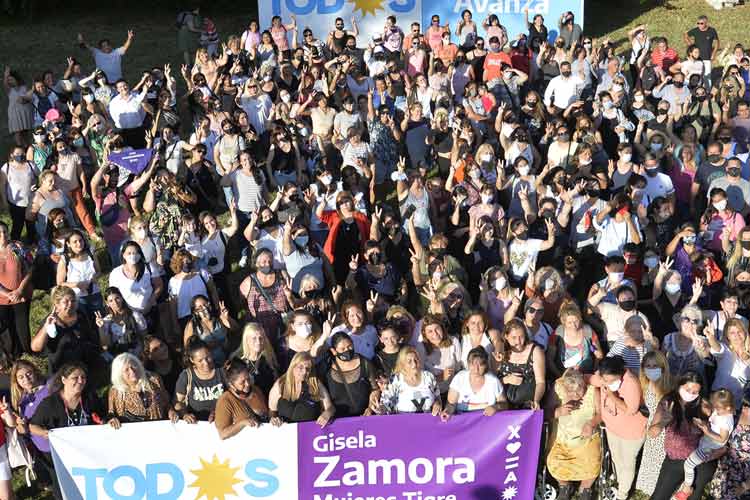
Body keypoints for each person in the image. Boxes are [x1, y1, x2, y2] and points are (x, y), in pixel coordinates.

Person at [649, 372, 718, 500]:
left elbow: (718, 435)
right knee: (659, 496)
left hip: (698, 461)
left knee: (694, 497)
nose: (691, 394)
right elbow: (652, 433)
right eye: (688, 389)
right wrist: (665, 420)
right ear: (679, 385)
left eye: (695, 392)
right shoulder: (668, 402)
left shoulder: (703, 405)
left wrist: (708, 422)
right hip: (676, 460)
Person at [590, 356, 647, 500]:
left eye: (612, 380)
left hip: (631, 432)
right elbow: (589, 379)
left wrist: (611, 395)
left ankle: (622, 494)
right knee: (616, 457)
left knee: (627, 463)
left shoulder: (631, 383)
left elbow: (631, 410)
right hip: (612, 427)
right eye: (605, 380)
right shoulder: (603, 378)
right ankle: (619, 480)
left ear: (620, 373)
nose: (608, 383)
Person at [545, 368, 601, 500]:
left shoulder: (593, 391)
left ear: (584, 384)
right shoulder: (558, 388)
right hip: (563, 439)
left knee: (592, 463)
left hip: (587, 440)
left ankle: (585, 488)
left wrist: (591, 423)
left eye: (579, 390)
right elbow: (546, 412)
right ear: (564, 388)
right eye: (570, 391)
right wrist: (558, 411)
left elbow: (601, 414)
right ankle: (564, 486)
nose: (575, 394)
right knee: (554, 461)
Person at [634, 351, 673, 496]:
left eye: (655, 366)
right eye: (648, 366)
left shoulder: (668, 387)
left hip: (665, 428)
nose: (651, 369)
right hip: (652, 425)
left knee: (660, 461)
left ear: (663, 367)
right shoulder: (646, 384)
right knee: (651, 459)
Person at [318, 331, 380, 417]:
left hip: (363, 416)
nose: (347, 350)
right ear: (334, 351)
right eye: (342, 349)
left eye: (350, 346)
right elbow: (319, 390)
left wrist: (370, 408)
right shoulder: (326, 366)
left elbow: (375, 389)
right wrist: (327, 410)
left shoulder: (365, 363)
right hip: (336, 419)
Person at [268, 351, 335, 426]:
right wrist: (274, 419)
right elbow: (272, 411)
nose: (304, 372)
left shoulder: (316, 384)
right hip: (286, 430)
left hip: (309, 430)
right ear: (293, 366)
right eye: (301, 367)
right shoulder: (280, 385)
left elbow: (331, 408)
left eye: (308, 369)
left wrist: (327, 413)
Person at [439, 347, 506, 420]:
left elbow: (504, 404)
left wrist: (495, 407)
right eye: (473, 365)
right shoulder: (459, 378)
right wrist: (447, 411)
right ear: (468, 364)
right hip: (463, 421)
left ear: (486, 365)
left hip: (487, 421)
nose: (476, 369)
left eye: (480, 365)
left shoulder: (493, 381)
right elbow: (451, 404)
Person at [708, 385, 750, 500]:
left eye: (748, 407)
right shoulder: (736, 416)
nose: (744, 408)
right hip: (724, 468)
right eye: (744, 404)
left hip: (742, 478)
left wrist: (744, 486)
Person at [173, 337, 225, 422]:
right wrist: (184, 414)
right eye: (200, 360)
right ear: (192, 360)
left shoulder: (222, 371)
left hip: (221, 420)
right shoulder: (186, 376)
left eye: (208, 357)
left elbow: (234, 395)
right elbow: (178, 402)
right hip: (196, 424)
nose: (206, 363)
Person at [214, 359, 270, 439]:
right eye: (242, 382)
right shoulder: (225, 401)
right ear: (231, 385)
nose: (247, 384)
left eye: (248, 379)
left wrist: (273, 418)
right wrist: (242, 423)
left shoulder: (256, 390)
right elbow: (222, 434)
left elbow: (267, 412)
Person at [107, 353, 169, 423]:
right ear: (119, 374)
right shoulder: (115, 391)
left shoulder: (154, 379)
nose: (132, 371)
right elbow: (111, 413)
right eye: (126, 370)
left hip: (160, 426)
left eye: (133, 366)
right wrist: (112, 420)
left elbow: (166, 402)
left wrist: (171, 412)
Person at [377, 346, 441, 415]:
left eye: (416, 359)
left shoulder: (428, 376)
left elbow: (437, 398)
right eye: (409, 361)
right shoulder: (396, 379)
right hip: (403, 420)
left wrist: (437, 404)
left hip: (428, 419)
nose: (414, 364)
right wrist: (381, 409)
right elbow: (385, 403)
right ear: (402, 364)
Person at [497, 319, 545, 409]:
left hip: (528, 402)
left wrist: (536, 400)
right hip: (503, 404)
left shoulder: (535, 351)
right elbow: (491, 382)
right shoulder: (501, 352)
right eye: (514, 337)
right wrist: (506, 379)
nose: (518, 341)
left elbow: (540, 382)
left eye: (521, 336)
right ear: (506, 336)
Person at [0, 222, 32, 356]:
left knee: (22, 329)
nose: (3, 235)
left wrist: (19, 291)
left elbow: (29, 269)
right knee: (7, 330)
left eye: (5, 232)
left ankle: (27, 354)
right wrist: (8, 294)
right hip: (1, 299)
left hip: (21, 295)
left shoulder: (18, 247)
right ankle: (11, 356)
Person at [230, 323, 279, 396]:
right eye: (254, 338)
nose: (258, 342)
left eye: (261, 338)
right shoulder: (237, 361)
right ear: (247, 340)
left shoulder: (269, 357)